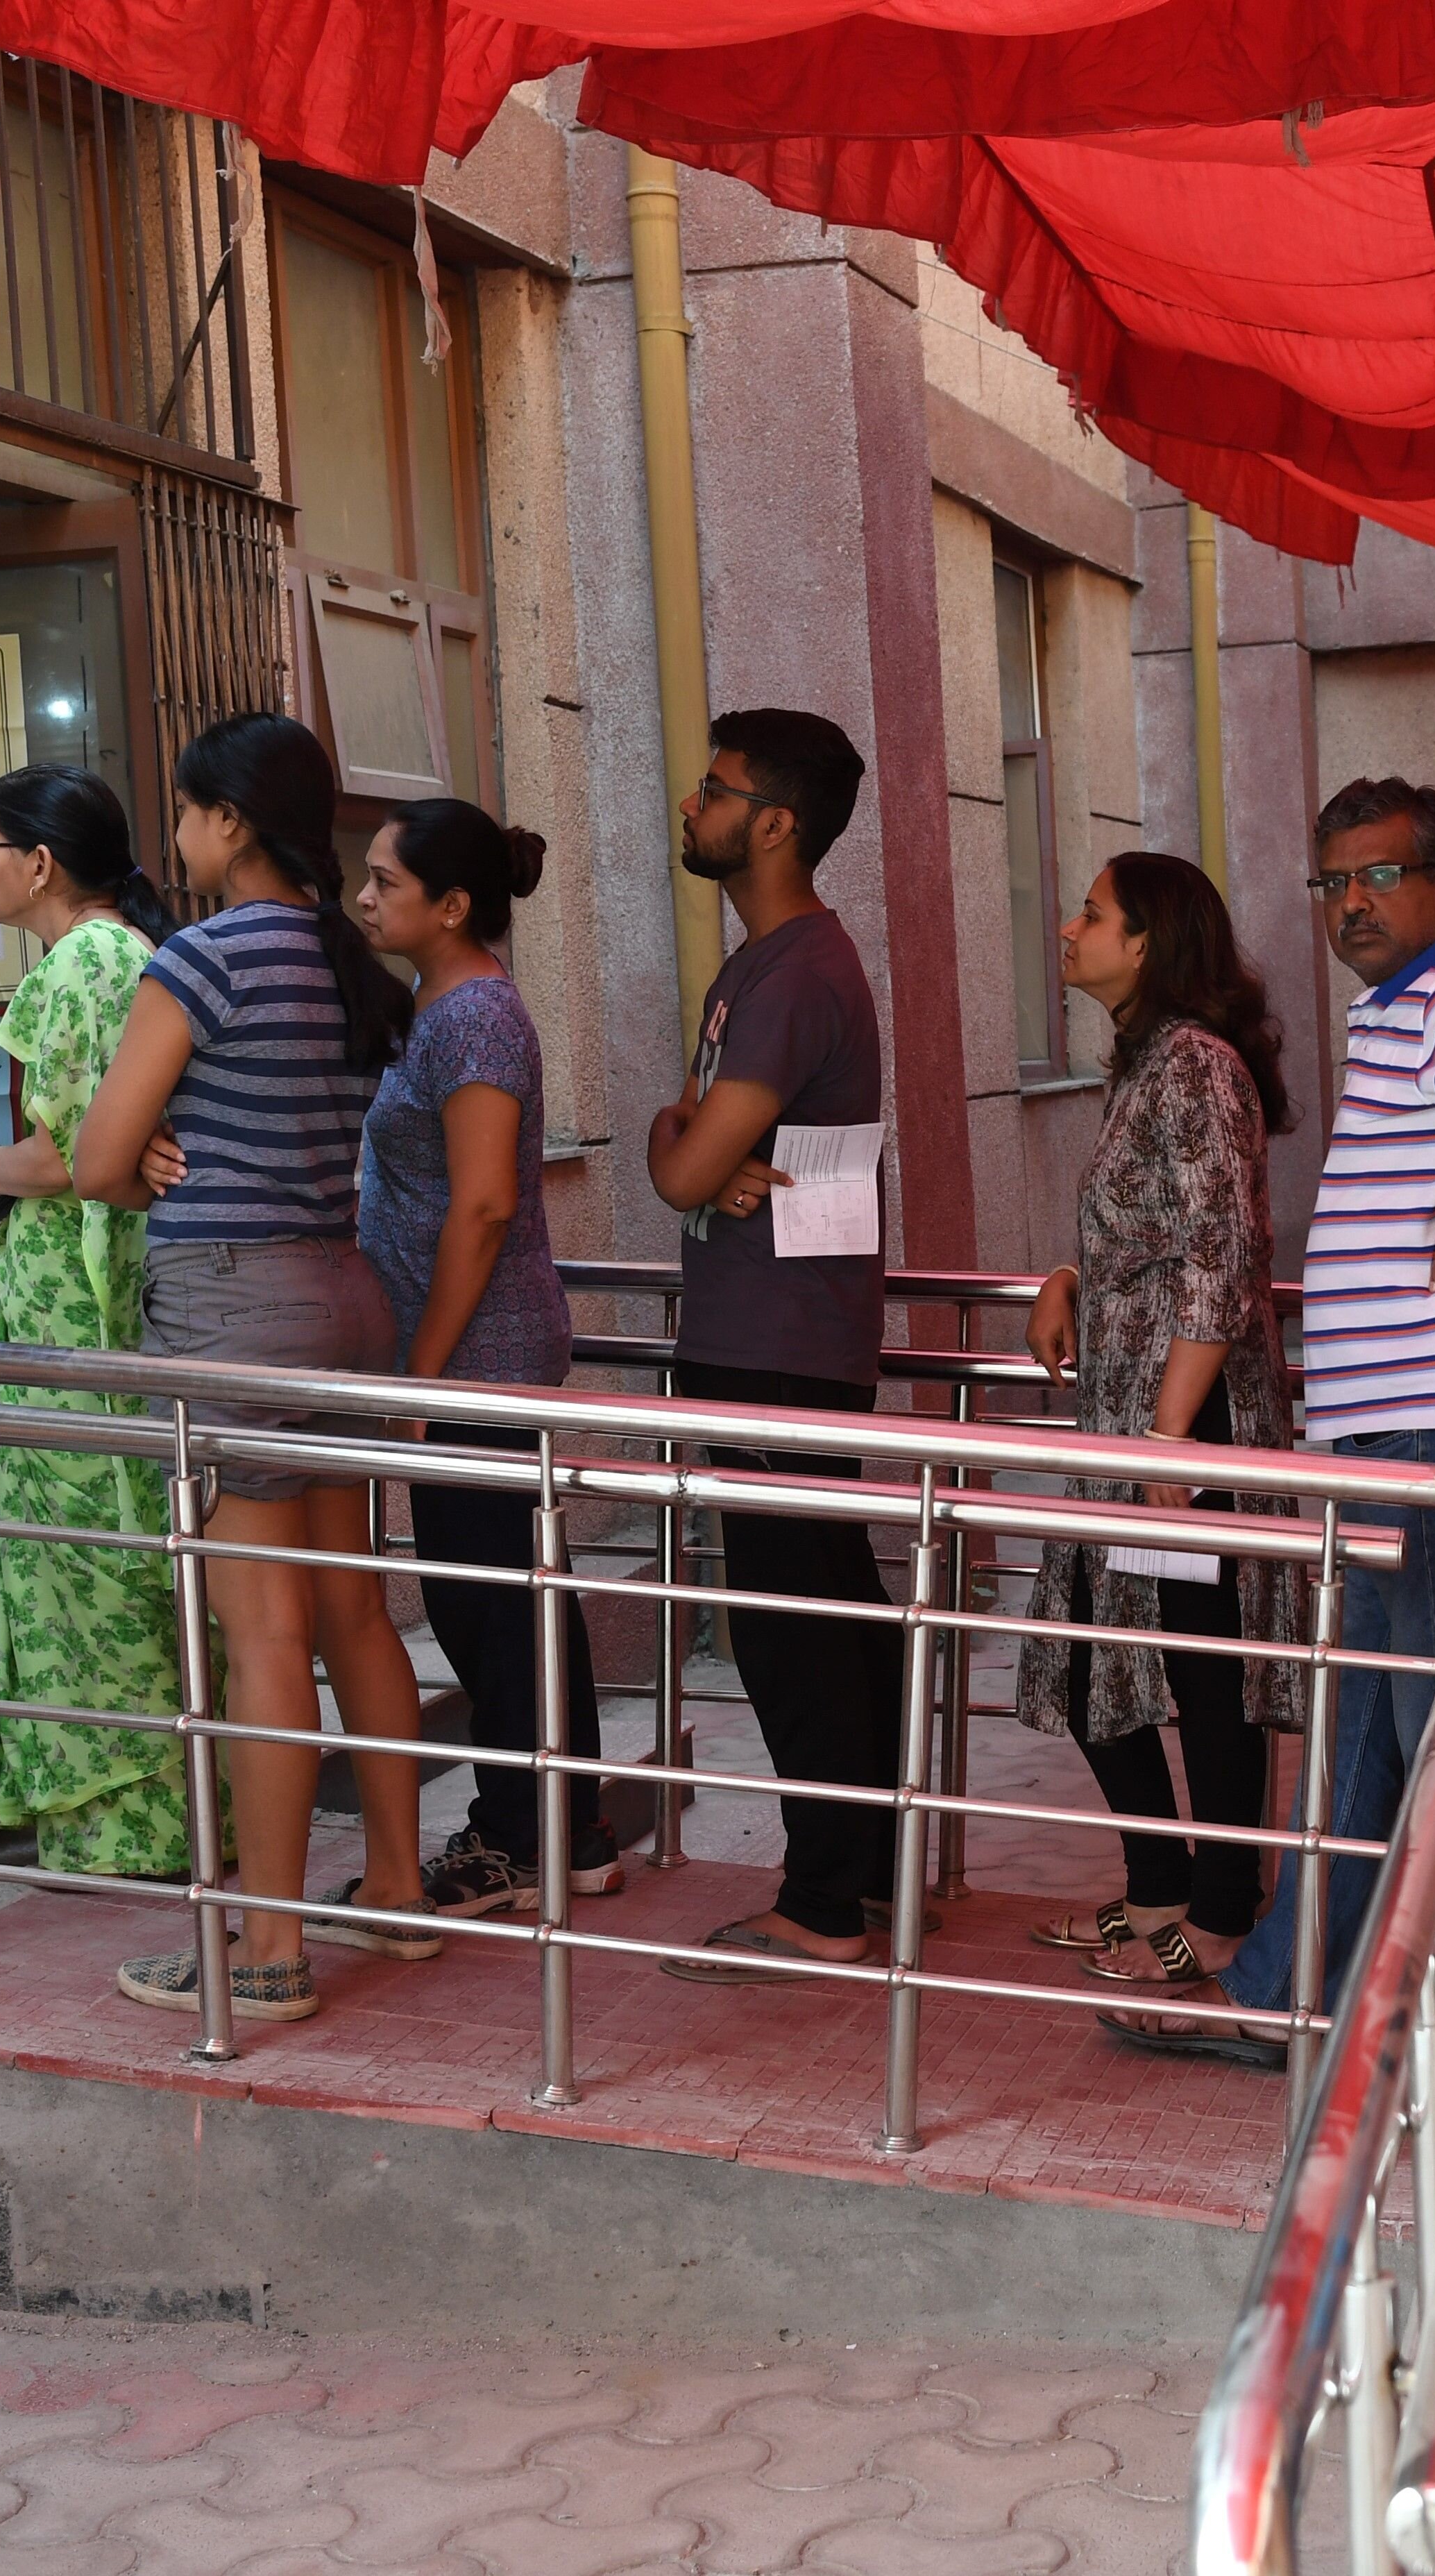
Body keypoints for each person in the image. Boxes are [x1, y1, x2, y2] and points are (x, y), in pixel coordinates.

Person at [1106, 778, 1435, 2067]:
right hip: (1399, 1428)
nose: (1354, 903)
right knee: (1375, 1729)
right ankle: (1294, 1996)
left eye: (1383, 876)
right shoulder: (1399, 1013)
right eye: (1333, 882)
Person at [76, 713, 427, 2026]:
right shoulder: (349, 960)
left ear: (230, 822)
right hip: (343, 1292)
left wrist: (159, 1140)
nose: (175, 841)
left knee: (262, 1629)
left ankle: (269, 1947)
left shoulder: (203, 960)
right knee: (356, 1611)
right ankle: (395, 1891)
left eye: (184, 814)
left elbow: (104, 1161)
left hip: (234, 1304)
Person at [637, 709, 903, 1983]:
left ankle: (826, 1900)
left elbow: (688, 1161)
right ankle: (864, 1874)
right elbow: (692, 1155)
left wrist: (673, 1148)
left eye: (716, 789)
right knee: (827, 1601)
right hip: (772, 1329)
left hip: (777, 1339)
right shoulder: (760, 967)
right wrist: (678, 1145)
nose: (693, 806)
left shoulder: (796, 972)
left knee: (795, 1618)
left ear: (777, 823)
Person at [1015, 854, 1302, 1988]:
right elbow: (1158, 1231)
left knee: (1202, 1670)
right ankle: (1157, 1888)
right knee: (1098, 1651)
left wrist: (1172, 1442)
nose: (1068, 927)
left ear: (1147, 944)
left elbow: (1223, 1258)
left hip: (1186, 1422)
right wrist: (1068, 1279)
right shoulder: (1148, 1063)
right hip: (1138, 1415)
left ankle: (1223, 1911)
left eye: (1092, 914)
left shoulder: (1194, 1065)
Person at [348, 797, 624, 1921]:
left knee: (496, 1604)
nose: (364, 899)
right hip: (460, 1348)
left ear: (452, 906)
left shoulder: (474, 1018)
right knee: (495, 1599)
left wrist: (420, 1368)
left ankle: (535, 1834)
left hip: (478, 1350)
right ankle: (563, 1826)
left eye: (385, 883)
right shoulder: (435, 1005)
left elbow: (484, 1206)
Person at [0, 764, 197, 1879]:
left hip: (76, 1306)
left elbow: (70, 1151)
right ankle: (124, 1815)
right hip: (74, 1296)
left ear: (39, 862)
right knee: (96, 1549)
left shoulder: (91, 961)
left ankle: (126, 1825)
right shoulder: (109, 957)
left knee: (87, 1558)